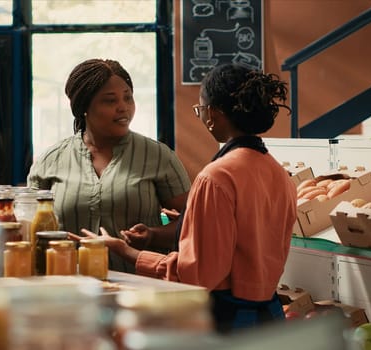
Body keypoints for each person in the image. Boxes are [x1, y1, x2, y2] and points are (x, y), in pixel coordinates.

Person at [83, 63, 298, 333]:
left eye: (200, 109)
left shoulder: (216, 177)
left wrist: (127, 252)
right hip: (270, 316)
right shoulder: (278, 173)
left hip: (227, 321)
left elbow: (197, 276)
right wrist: (186, 222)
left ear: (213, 114)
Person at [27, 58, 191, 272]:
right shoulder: (51, 160)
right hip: (67, 283)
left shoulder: (157, 156)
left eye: (128, 98)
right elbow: (28, 224)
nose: (123, 107)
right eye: (110, 100)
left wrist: (153, 235)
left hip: (139, 287)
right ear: (84, 107)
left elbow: (193, 219)